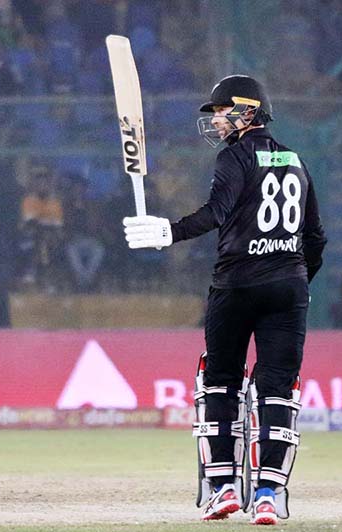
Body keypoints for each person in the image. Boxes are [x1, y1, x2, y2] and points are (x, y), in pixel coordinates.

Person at [123, 75, 326, 525]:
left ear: (247, 111)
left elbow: (216, 212)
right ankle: (270, 494)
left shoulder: (234, 156)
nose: (215, 119)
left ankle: (225, 489)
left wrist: (166, 232)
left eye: (220, 110)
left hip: (235, 286)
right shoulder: (296, 160)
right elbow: (315, 237)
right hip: (288, 289)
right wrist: (294, 281)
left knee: (220, 383)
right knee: (277, 390)